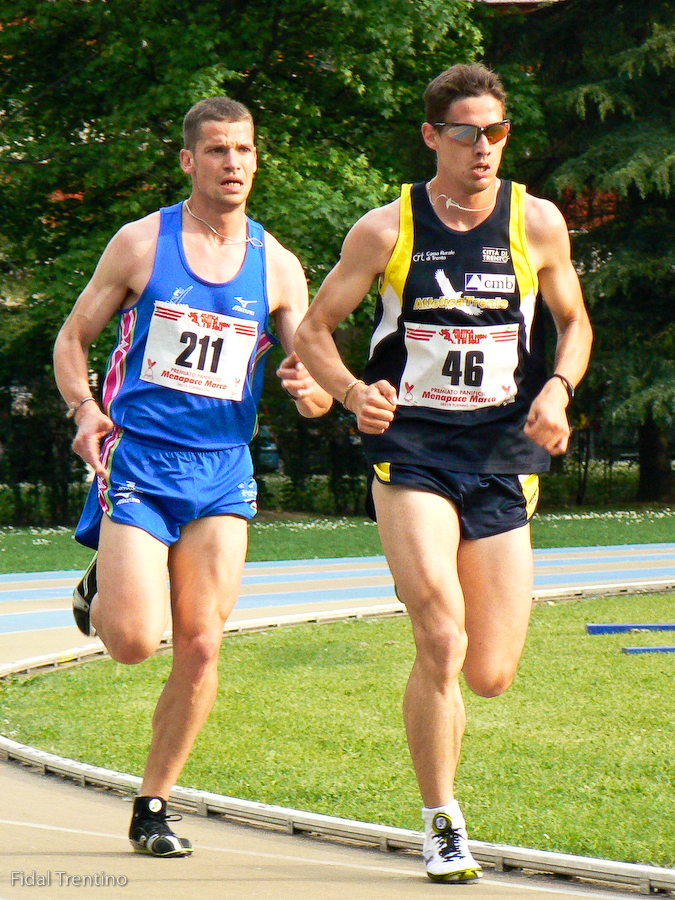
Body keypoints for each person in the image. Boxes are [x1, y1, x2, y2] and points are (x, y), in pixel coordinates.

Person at [295, 63, 592, 883]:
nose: (483, 148)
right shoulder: (385, 230)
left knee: (489, 672)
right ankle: (442, 820)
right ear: (432, 137)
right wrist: (354, 392)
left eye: (495, 132)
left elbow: (574, 323)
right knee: (439, 633)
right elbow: (314, 331)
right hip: (414, 452)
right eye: (465, 133)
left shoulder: (536, 224)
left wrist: (559, 390)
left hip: (501, 455)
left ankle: (447, 737)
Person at [53, 96, 332, 857]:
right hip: (138, 457)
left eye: (243, 150)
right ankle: (102, 588)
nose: (232, 163)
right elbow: (72, 339)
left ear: (256, 159)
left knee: (202, 645)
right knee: (137, 642)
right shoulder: (142, 244)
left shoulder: (277, 264)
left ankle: (154, 805)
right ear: (189, 161)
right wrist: (83, 410)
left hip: (223, 469)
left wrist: (310, 391)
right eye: (216, 151)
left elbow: (307, 371)